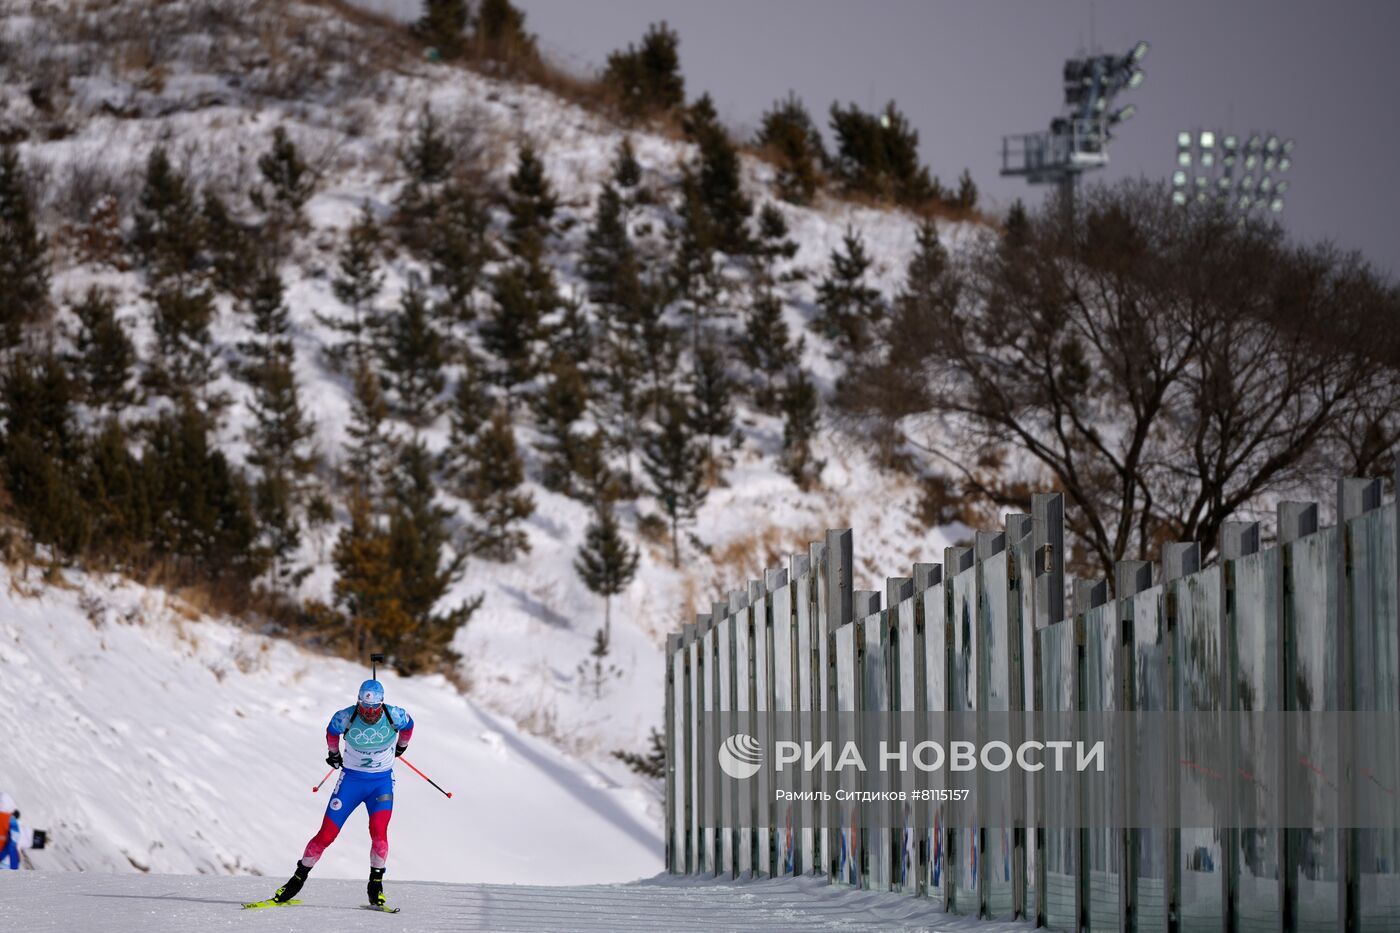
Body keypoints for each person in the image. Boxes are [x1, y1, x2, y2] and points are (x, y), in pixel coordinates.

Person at [266, 679, 414, 908]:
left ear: (381, 704)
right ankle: (296, 880)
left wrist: (402, 746)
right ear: (358, 703)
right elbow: (332, 732)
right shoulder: (345, 717)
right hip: (351, 782)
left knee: (379, 834)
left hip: (381, 783)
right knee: (326, 835)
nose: (369, 714)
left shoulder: (394, 714)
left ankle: (375, 886)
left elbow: (409, 725)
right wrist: (333, 754)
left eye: (374, 709)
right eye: (365, 708)